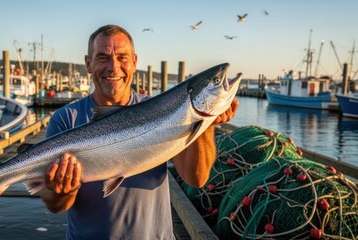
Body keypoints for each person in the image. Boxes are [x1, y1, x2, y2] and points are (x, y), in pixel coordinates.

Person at [39, 24, 239, 239]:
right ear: (88, 63)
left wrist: (206, 124)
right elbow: (55, 205)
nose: (114, 67)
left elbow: (196, 178)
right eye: (103, 57)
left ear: (134, 62)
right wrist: (63, 190)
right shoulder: (66, 119)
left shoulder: (164, 111)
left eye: (122, 57)